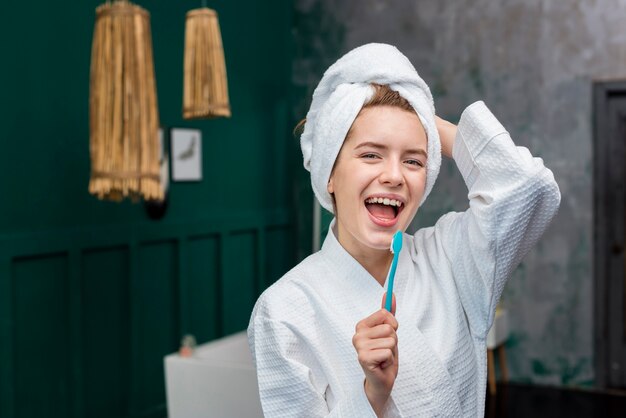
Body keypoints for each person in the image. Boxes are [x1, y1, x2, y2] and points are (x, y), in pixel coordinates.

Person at [247, 43, 560, 417]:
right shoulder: (283, 311)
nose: (395, 176)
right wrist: (373, 394)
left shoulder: (452, 259)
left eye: (413, 161)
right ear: (329, 172)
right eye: (370, 154)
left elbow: (528, 187)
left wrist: (426, 120)